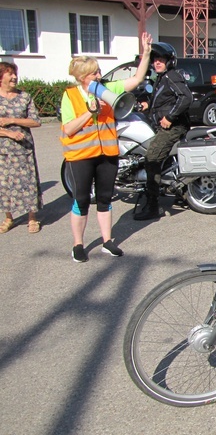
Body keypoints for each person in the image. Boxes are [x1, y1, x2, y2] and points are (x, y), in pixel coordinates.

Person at [60, 32, 153, 262]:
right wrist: (89, 112)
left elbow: (136, 80)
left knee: (105, 198)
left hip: (107, 154)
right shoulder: (70, 96)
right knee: (81, 200)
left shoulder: (107, 88)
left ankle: (107, 242)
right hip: (81, 156)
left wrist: (146, 54)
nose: (100, 75)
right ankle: (78, 245)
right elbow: (68, 129)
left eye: (99, 71)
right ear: (83, 77)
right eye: (95, 72)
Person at [133, 42, 192, 221]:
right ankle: (179, 192)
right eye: (155, 60)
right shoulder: (162, 78)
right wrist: (146, 105)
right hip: (166, 125)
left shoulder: (172, 76)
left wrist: (170, 117)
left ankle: (152, 207)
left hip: (174, 126)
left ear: (169, 62)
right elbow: (164, 100)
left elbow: (185, 97)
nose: (157, 63)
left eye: (161, 60)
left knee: (151, 158)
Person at [0, 62, 43, 234]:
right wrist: (8, 133)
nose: (14, 77)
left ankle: (32, 218)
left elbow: (36, 121)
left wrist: (12, 121)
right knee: (4, 184)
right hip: (2, 151)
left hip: (23, 149)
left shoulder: (25, 97)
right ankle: (8, 218)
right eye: (10, 74)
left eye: (15, 73)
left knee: (29, 183)